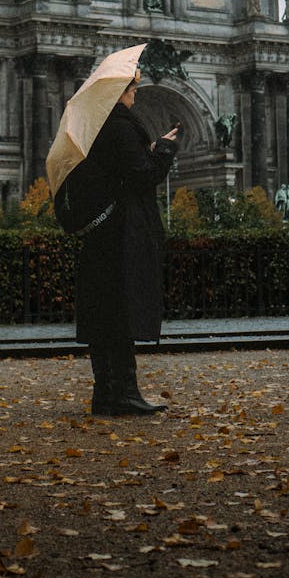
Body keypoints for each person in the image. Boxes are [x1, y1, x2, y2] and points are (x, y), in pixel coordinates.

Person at [76, 72, 179, 415]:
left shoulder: (99, 126)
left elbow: (120, 171)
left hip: (102, 233)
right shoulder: (120, 126)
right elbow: (142, 177)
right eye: (132, 86)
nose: (136, 90)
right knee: (121, 314)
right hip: (123, 233)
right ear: (121, 92)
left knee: (105, 314)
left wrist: (144, 152)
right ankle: (124, 394)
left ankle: (105, 393)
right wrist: (162, 150)